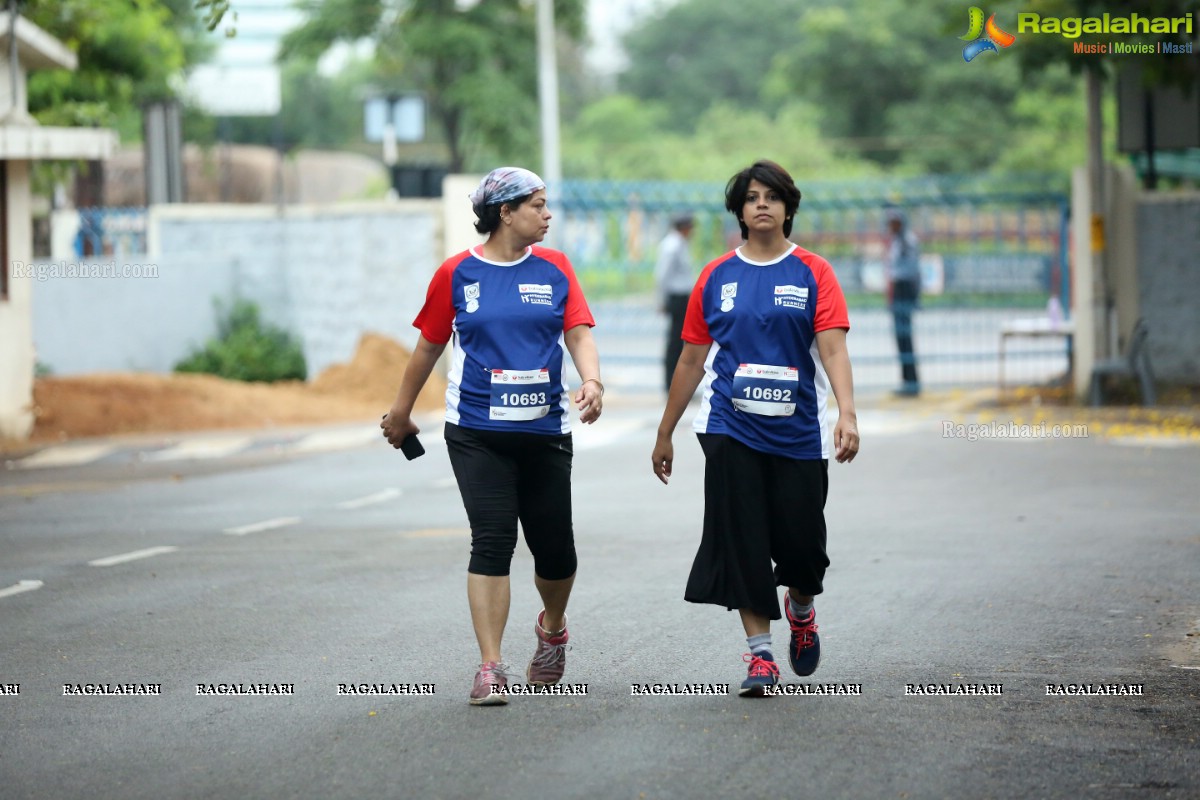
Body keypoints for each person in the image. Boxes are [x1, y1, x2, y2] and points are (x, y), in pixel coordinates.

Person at [381, 166, 604, 706]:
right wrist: (401, 411)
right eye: (538, 205)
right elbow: (429, 347)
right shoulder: (457, 273)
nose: (548, 215)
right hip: (477, 432)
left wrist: (592, 380)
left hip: (545, 430)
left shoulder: (555, 268)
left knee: (555, 550)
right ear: (505, 212)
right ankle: (490, 667)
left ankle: (552, 628)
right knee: (493, 539)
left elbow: (577, 330)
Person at [651, 159, 859, 698]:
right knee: (743, 541)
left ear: (789, 207)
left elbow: (833, 348)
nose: (761, 204)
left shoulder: (814, 271)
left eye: (771, 196)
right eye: (751, 197)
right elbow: (691, 361)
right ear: (739, 211)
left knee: (803, 550)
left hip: (798, 433)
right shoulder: (716, 276)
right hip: (730, 427)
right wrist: (666, 431)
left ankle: (802, 606)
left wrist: (847, 413)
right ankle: (760, 656)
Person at [655, 212, 696, 391]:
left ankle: (677, 384)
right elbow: (662, 275)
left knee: (679, 341)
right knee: (675, 342)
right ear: (684, 227)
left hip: (682, 298)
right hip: (676, 298)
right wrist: (662, 300)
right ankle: (671, 384)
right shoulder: (672, 246)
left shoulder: (679, 243)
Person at [885, 205, 921, 396]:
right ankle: (907, 380)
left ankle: (912, 382)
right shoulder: (897, 241)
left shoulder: (907, 241)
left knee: (905, 337)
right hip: (897, 290)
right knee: (900, 338)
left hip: (904, 289)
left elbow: (912, 271)